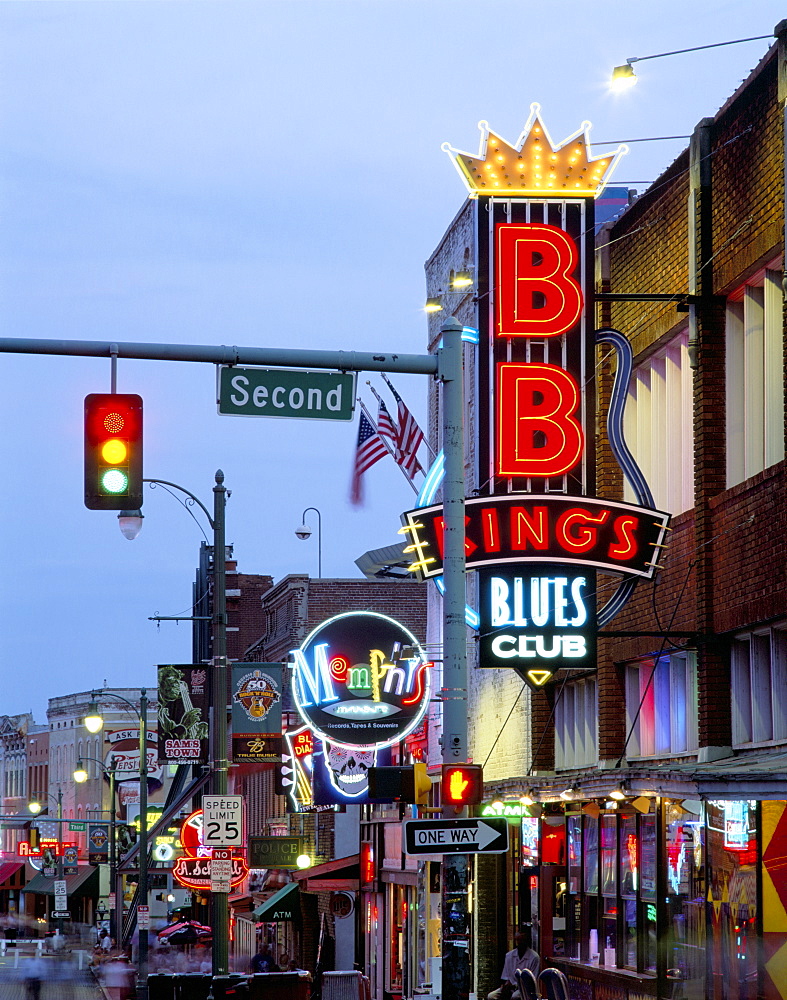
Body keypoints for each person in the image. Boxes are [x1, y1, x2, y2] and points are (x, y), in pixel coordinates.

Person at [487, 930, 540, 1000]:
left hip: (526, 989)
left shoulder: (534, 957)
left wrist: (515, 986)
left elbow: (532, 981)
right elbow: (507, 977)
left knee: (515, 997)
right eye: (518, 940)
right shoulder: (509, 955)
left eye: (522, 940)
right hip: (511, 987)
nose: (519, 942)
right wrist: (505, 986)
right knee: (491, 996)